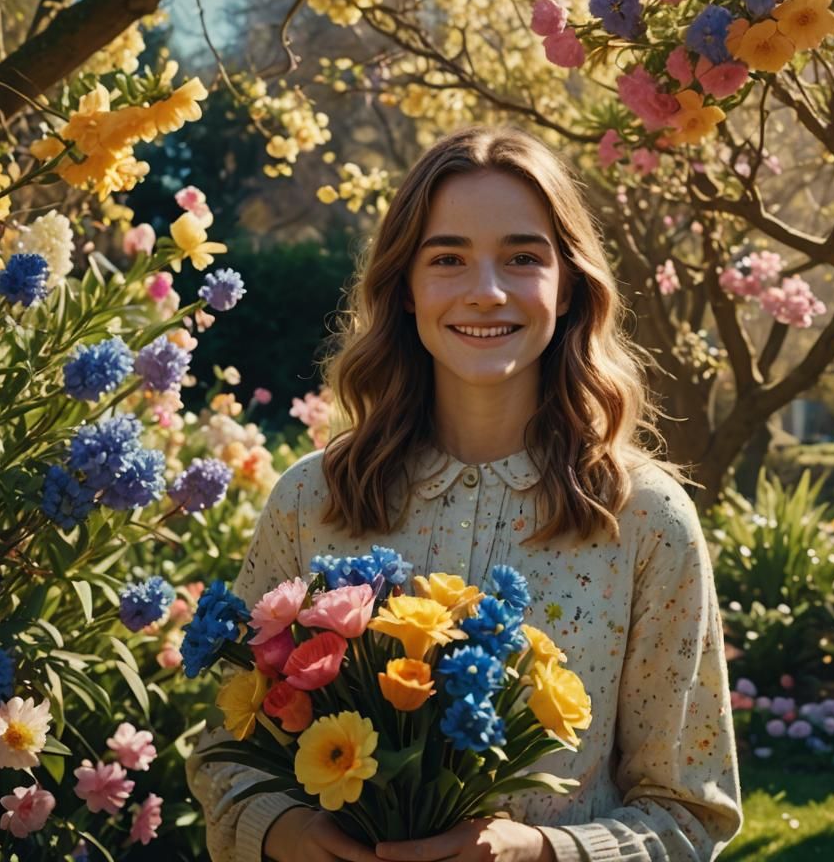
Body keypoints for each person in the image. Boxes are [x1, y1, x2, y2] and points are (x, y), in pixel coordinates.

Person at [186, 126, 742, 862]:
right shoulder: (310, 500)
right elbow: (227, 754)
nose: (487, 291)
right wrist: (279, 830)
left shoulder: (644, 519)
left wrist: (543, 853)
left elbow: (690, 816)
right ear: (405, 289)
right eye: (447, 258)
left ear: (568, 284)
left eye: (522, 257)